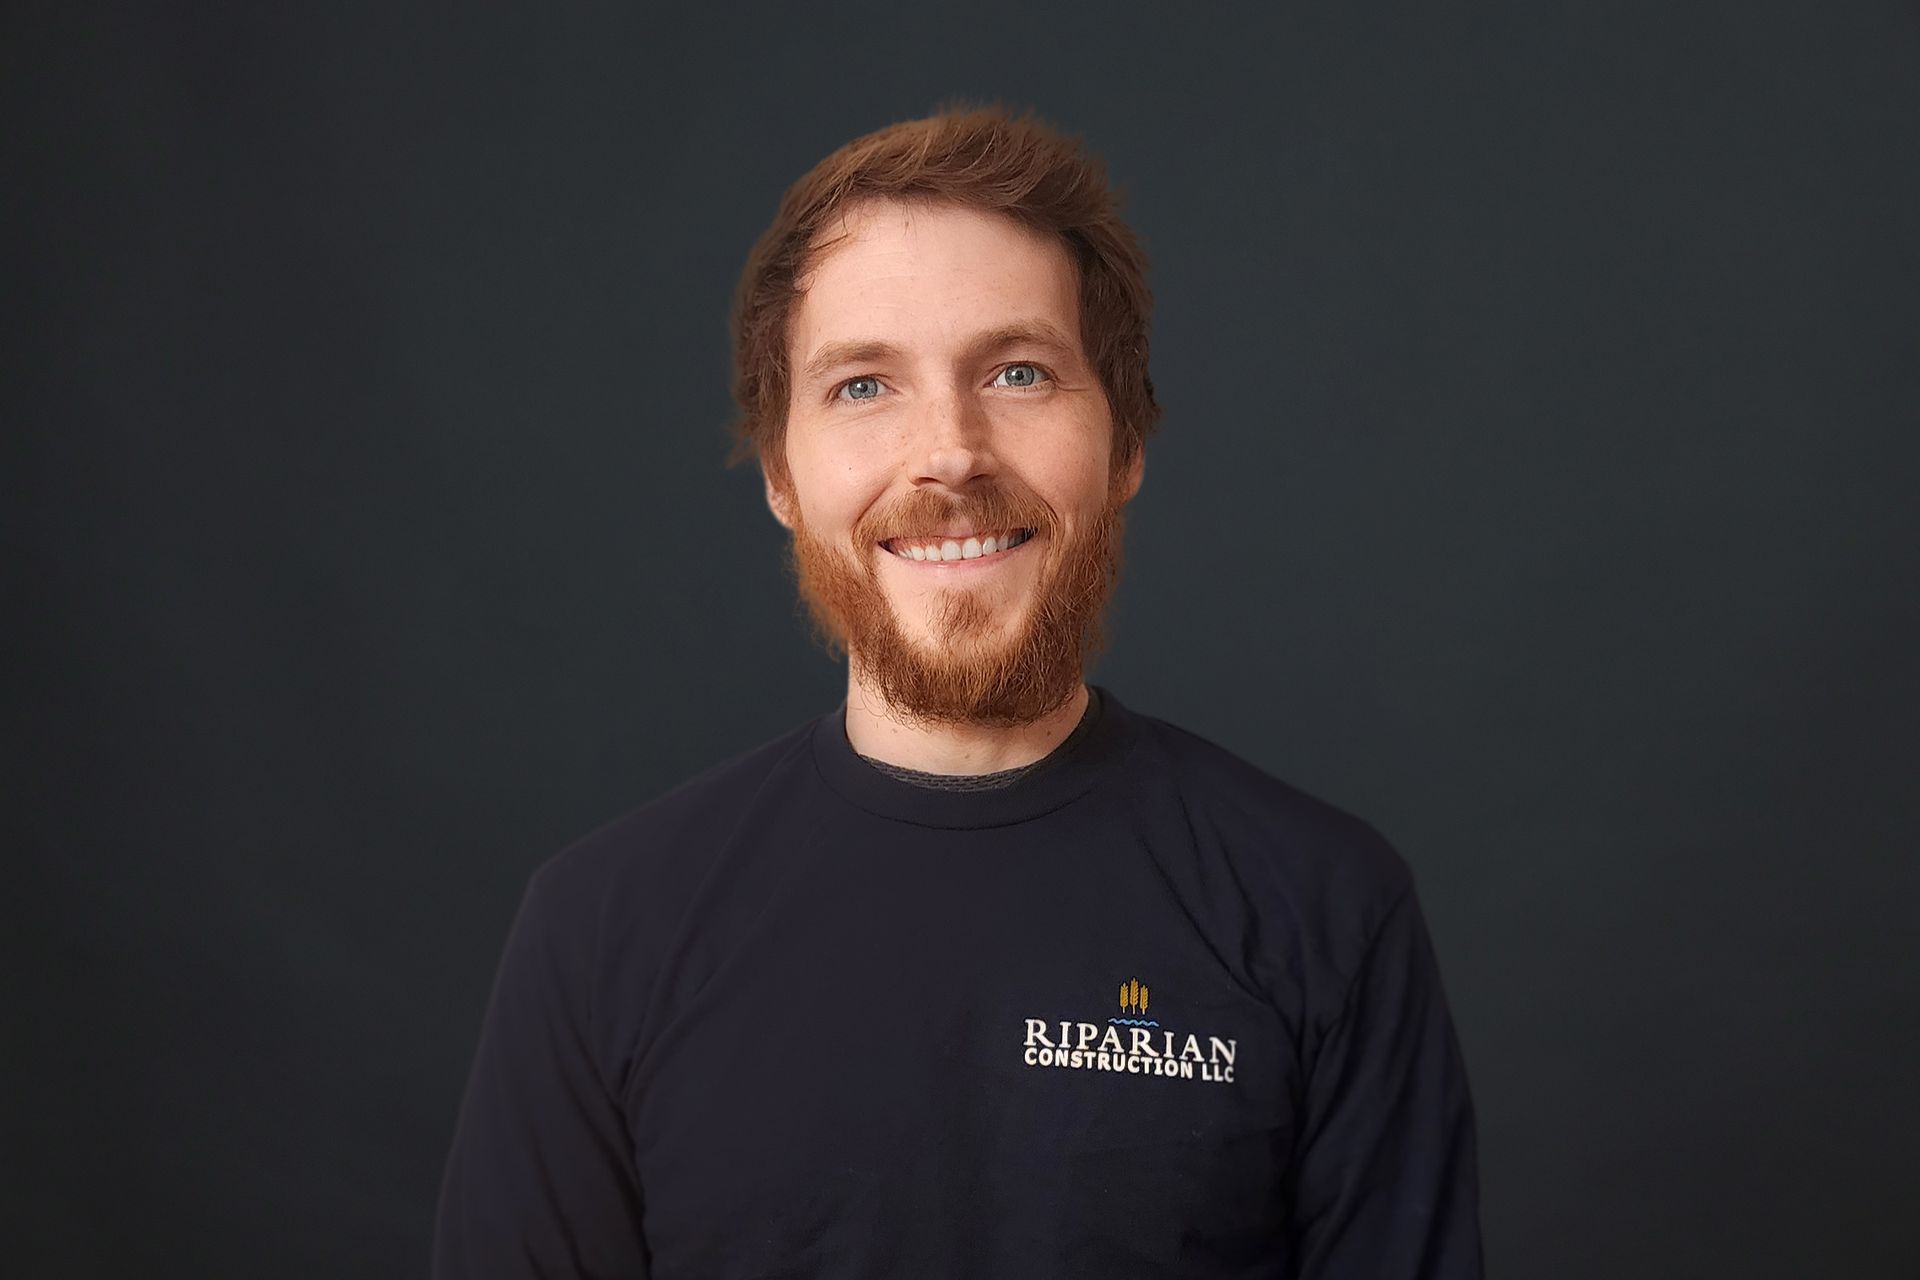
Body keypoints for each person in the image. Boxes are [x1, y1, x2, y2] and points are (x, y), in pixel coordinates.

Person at [432, 103, 1483, 1279]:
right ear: (782, 471)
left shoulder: (1325, 910)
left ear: (1126, 440)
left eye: (1019, 370)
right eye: (864, 386)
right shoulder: (599, 934)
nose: (952, 451)